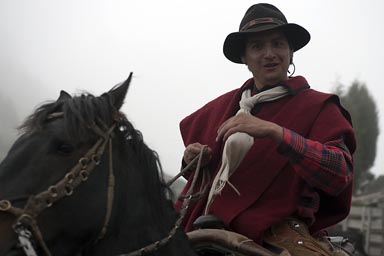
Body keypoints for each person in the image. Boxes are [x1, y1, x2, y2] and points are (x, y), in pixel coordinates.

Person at [174, 2, 356, 252]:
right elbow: (205, 182)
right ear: (244, 58)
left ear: (291, 52)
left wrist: (276, 133)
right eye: (257, 46)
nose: (269, 53)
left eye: (278, 43)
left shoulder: (319, 107)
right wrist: (192, 161)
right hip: (201, 224)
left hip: (278, 231)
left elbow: (340, 174)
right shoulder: (221, 108)